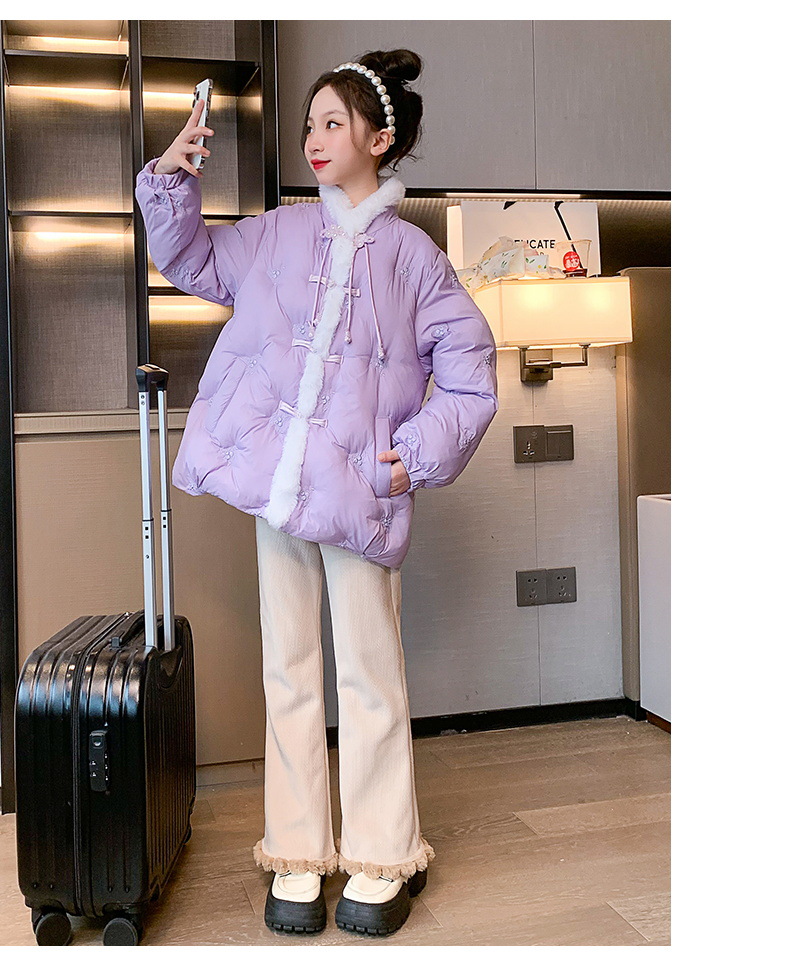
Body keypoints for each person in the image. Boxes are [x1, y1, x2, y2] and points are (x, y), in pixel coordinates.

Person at [134, 48, 498, 938]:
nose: (314, 138)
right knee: (288, 669)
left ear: (380, 139)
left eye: (334, 122)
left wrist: (411, 456)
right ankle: (297, 851)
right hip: (277, 491)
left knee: (370, 675)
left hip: (362, 497)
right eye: (309, 124)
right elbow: (191, 258)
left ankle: (382, 854)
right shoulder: (276, 234)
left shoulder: (416, 259)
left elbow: (471, 372)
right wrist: (171, 178)